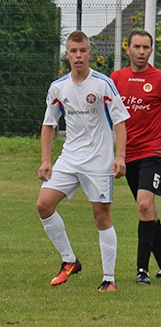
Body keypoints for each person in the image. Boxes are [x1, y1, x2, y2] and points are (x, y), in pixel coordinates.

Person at [36, 31, 130, 292]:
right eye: (73, 51)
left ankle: (108, 279)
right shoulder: (58, 87)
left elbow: (120, 121)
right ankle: (69, 261)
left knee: (101, 217)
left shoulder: (103, 84)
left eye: (83, 51)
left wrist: (120, 156)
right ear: (67, 55)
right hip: (69, 158)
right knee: (44, 205)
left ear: (90, 53)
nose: (78, 55)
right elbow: (48, 124)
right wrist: (46, 160)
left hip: (99, 160)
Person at [111, 30, 161, 284]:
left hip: (153, 152)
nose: (141, 51)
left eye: (146, 47)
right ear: (128, 49)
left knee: (144, 204)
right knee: (149, 210)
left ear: (151, 50)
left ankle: (141, 270)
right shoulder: (116, 79)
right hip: (127, 155)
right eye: (137, 46)